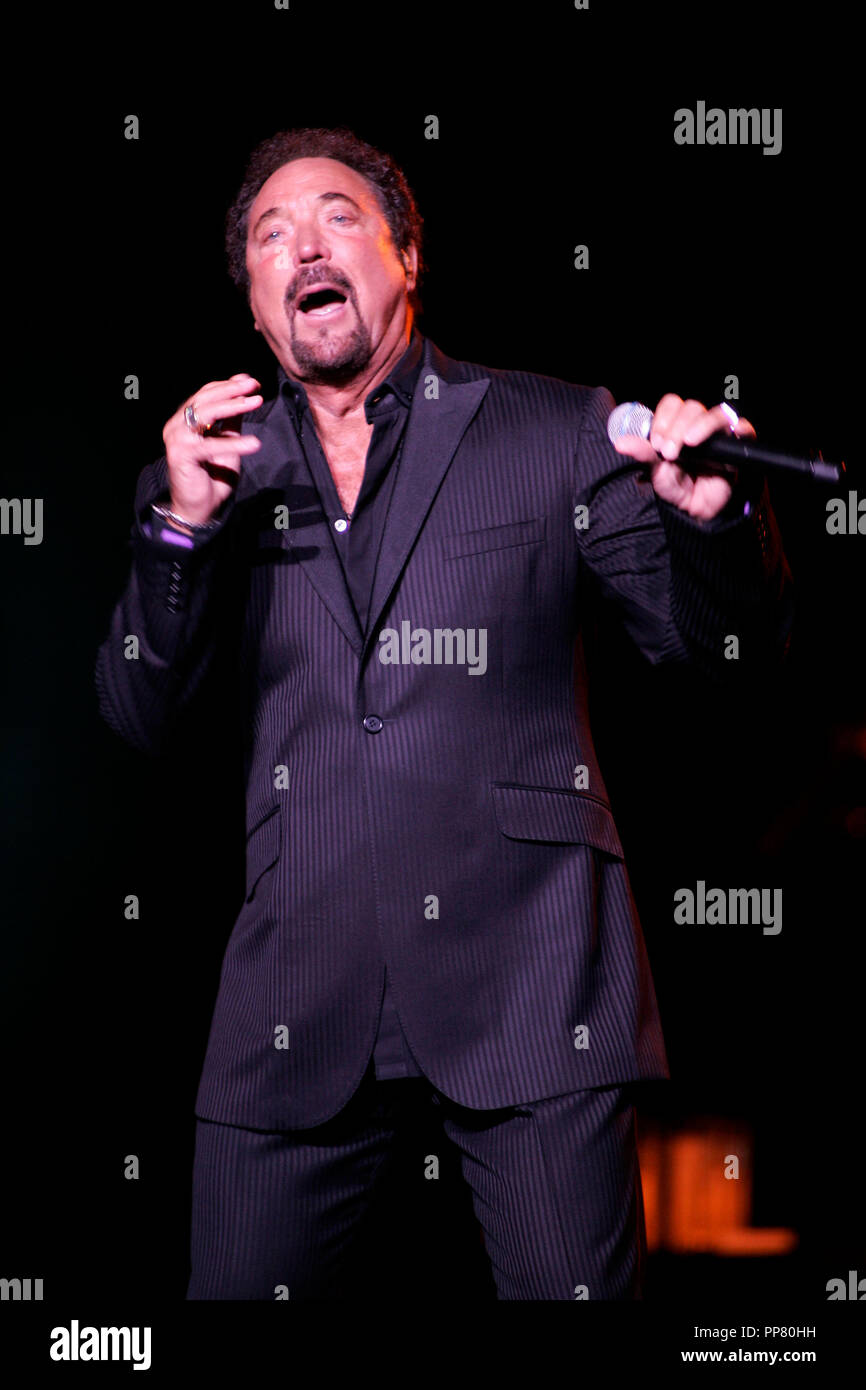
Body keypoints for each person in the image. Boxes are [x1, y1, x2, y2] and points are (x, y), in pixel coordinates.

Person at [95, 126, 794, 1300]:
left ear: (405, 256)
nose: (300, 244)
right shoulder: (213, 469)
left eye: (333, 218)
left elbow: (720, 655)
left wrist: (711, 523)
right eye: (270, 236)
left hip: (530, 981)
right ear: (258, 310)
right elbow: (137, 713)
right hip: (294, 993)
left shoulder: (552, 429)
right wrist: (180, 529)